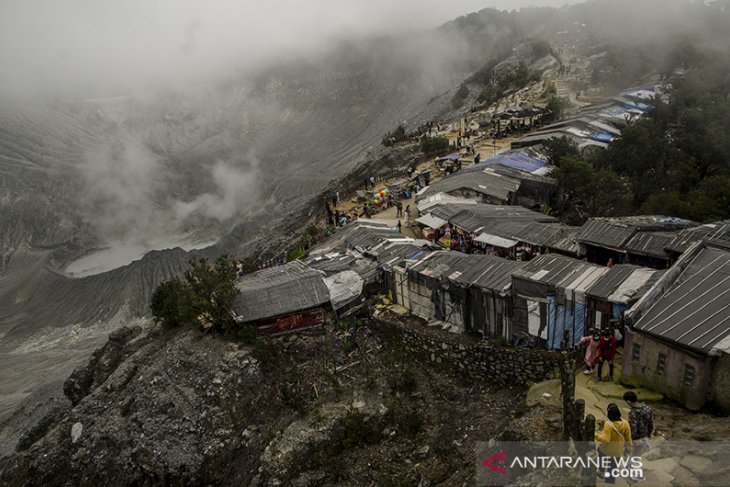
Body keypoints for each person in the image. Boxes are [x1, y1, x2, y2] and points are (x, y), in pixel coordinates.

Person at [595, 403, 633, 485]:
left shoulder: (608, 425)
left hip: (606, 449)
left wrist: (595, 435)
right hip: (618, 451)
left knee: (600, 452)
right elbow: (628, 438)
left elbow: (605, 439)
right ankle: (610, 483)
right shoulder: (625, 423)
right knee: (612, 468)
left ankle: (601, 471)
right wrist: (629, 448)